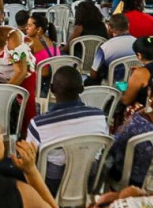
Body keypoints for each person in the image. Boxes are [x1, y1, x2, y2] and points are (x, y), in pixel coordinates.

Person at [27, 66, 108, 196]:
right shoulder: (99, 116)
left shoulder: (38, 124)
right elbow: (102, 147)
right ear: (82, 89)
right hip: (89, 180)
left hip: (53, 186)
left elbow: (29, 158)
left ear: (52, 89)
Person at [89, 13, 135, 81]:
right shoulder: (138, 43)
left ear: (110, 28)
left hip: (112, 86)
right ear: (128, 25)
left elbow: (93, 73)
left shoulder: (105, 47)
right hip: (134, 84)